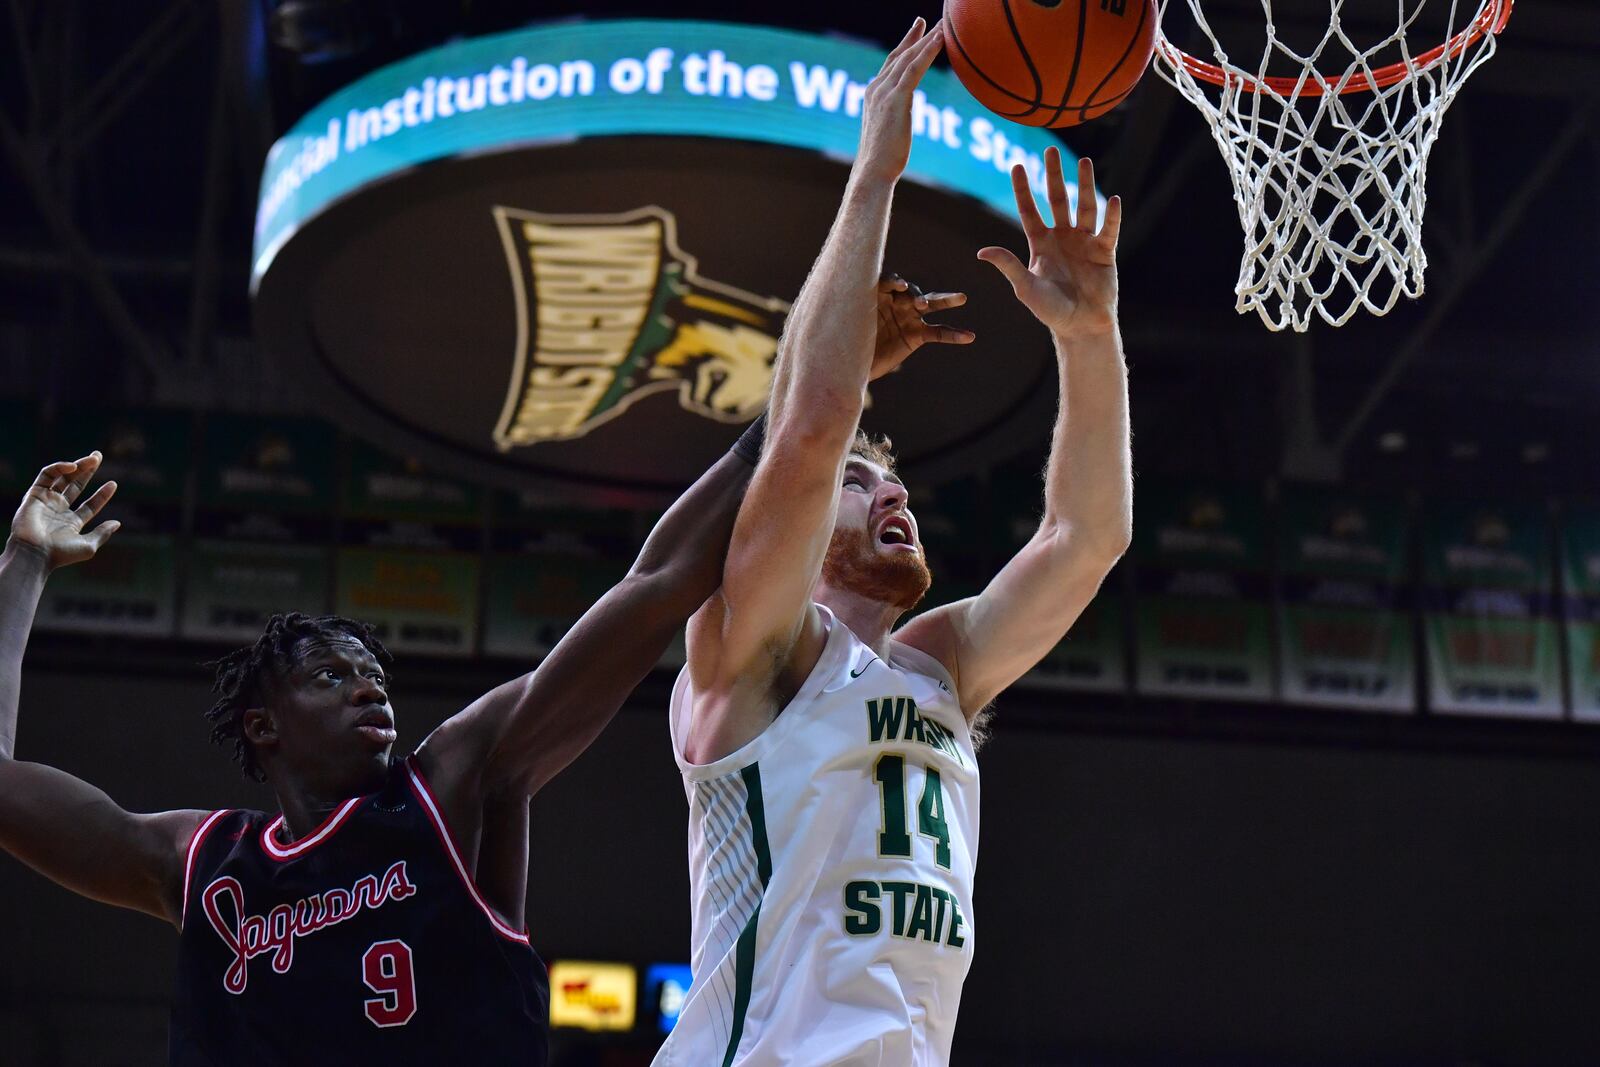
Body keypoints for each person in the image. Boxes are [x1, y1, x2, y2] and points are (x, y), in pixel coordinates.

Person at [0, 263, 964, 1063]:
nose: (369, 685)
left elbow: (659, 581)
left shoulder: (452, 781)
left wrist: (811, 407)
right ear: (264, 724)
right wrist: (24, 563)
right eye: (330, 675)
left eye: (372, 671)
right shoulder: (204, 864)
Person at [655, 16, 1133, 1067]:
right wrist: (876, 172)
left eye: (898, 481)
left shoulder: (939, 669)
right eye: (860, 485)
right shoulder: (754, 654)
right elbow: (812, 422)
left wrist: (1089, 337)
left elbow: (1086, 535)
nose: (890, 494)